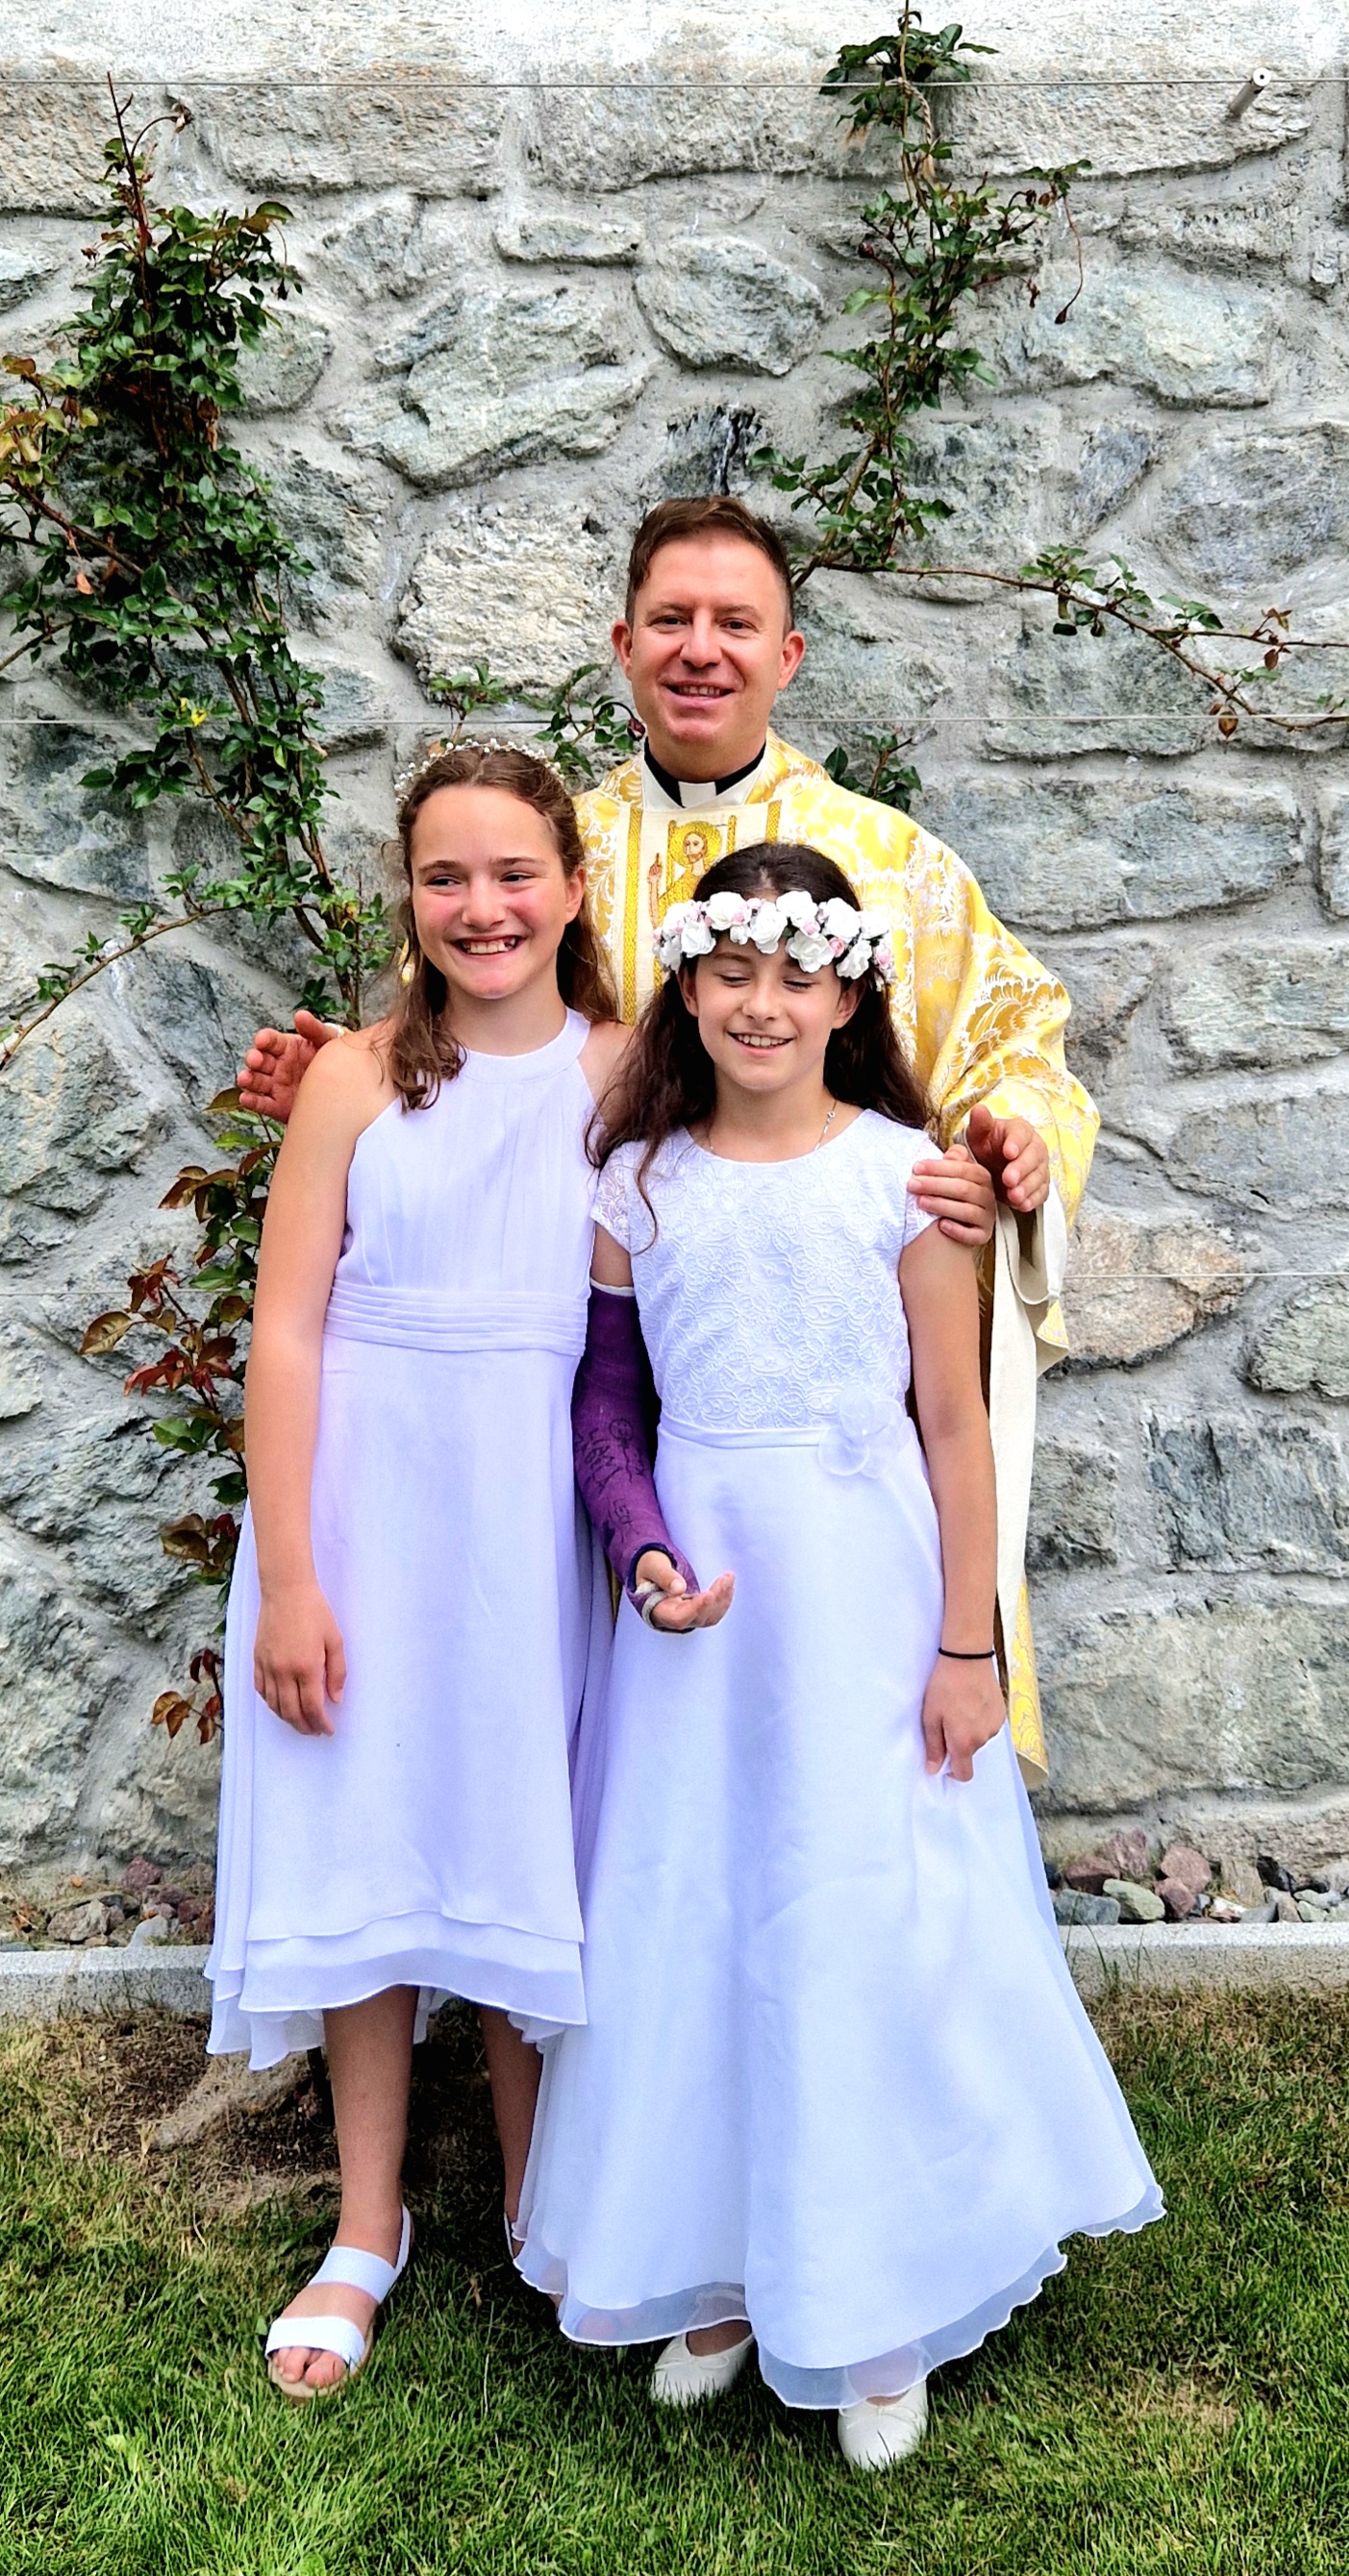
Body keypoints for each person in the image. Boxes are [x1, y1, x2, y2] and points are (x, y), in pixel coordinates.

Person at [239, 496, 1097, 1781]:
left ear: (787, 654)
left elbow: (1017, 1035)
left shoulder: (891, 862)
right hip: (563, 1355)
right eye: (672, 620)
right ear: (624, 644)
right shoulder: (550, 845)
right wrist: (347, 1092)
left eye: (735, 624)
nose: (702, 649)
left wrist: (1013, 1150)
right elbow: (461, 1036)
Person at [518, 847, 1161, 2469]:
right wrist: (642, 1548)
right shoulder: (638, 1182)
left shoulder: (906, 1180)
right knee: (697, 1906)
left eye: (796, 976)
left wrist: (967, 1645)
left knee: (854, 1907)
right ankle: (719, 2264)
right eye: (732, 971)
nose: (762, 1003)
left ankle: (879, 2292)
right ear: (687, 986)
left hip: (865, 1599)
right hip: (708, 1604)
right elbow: (611, 1402)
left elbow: (953, 1427)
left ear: (849, 997)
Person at [207, 744, 637, 2399]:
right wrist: (291, 1576)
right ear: (410, 895)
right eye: (447, 876)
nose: (483, 906)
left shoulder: (628, 1071)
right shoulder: (354, 1077)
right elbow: (287, 1329)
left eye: (516, 873)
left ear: (574, 888)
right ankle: (366, 2220)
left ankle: (542, 2201)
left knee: (532, 1830)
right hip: (367, 1511)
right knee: (366, 1830)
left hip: (536, 1512)